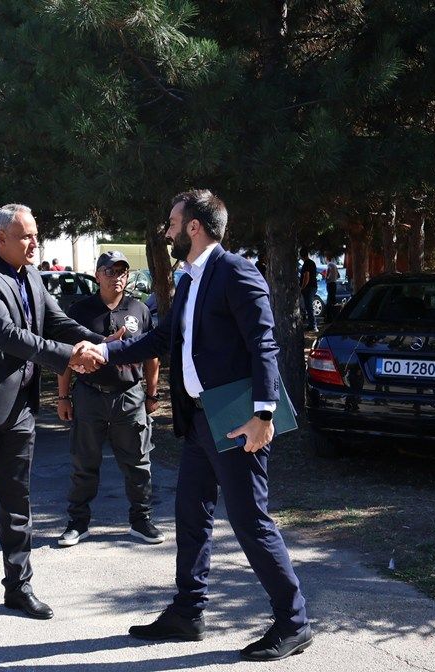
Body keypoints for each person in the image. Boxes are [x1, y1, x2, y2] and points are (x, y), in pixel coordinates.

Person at [101, 190, 311, 662]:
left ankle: (294, 622)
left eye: (173, 223)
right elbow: (162, 338)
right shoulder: (189, 279)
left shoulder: (235, 271)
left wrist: (263, 415)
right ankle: (188, 612)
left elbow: (263, 343)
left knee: (250, 521)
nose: (168, 231)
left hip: (236, 419)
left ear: (194, 227)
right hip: (198, 419)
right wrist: (105, 351)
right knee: (191, 515)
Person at [0, 203, 107, 635]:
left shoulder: (30, 275)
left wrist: (102, 344)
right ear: (1, 238)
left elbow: (57, 321)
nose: (36, 243)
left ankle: (18, 587)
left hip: (20, 406)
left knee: (18, 500)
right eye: (26, 236)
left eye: (36, 234)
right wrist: (70, 357)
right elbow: (8, 337)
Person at [56, 250, 164, 547]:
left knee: (138, 463)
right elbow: (67, 357)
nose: (117, 277)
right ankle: (78, 523)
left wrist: (152, 394)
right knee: (83, 463)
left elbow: (152, 357)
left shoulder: (139, 309)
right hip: (90, 396)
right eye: (110, 271)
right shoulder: (80, 311)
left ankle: (141, 521)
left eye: (122, 272)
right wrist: (63, 396)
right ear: (97, 275)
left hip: (130, 398)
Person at [299, 248, 318, 331]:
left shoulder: (306, 263)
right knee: (309, 306)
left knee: (309, 307)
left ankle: (313, 325)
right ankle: (312, 324)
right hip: (313, 286)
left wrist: (302, 287)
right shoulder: (312, 263)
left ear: (301, 256)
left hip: (309, 287)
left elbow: (306, 276)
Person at [324, 257, 340, 323]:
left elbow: (327, 274)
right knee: (333, 300)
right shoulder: (335, 265)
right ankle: (334, 317)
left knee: (329, 301)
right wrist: (334, 277)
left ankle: (328, 318)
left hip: (330, 284)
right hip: (334, 284)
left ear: (327, 258)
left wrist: (326, 278)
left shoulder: (329, 265)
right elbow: (338, 275)